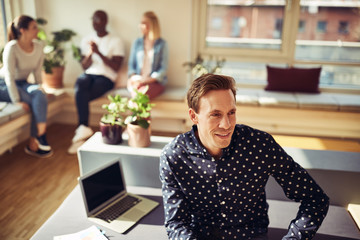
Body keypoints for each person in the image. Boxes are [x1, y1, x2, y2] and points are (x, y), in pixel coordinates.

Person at [160, 74, 329, 239]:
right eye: (216, 114)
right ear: (193, 116)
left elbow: (315, 199)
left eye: (231, 112)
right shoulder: (174, 156)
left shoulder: (260, 145)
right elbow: (177, 223)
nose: (226, 125)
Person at [68, 10, 125, 154]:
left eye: (98, 20)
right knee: (80, 83)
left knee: (82, 94)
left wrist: (99, 52)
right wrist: (90, 52)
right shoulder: (87, 39)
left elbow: (116, 67)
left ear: (105, 22)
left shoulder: (115, 40)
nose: (94, 23)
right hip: (89, 75)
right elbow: (84, 66)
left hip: (106, 78)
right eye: (93, 20)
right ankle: (83, 128)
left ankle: (82, 130)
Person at [0, 15, 53, 158]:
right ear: (23, 30)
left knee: (39, 95)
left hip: (23, 83)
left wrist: (41, 88)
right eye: (34, 27)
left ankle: (39, 137)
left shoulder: (38, 47)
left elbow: (37, 72)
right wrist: (17, 100)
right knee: (32, 100)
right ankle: (35, 142)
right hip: (4, 84)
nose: (37, 30)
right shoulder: (12, 48)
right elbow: (9, 77)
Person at [127, 11, 168, 99]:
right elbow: (131, 65)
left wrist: (148, 79)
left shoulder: (162, 44)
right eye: (140, 23)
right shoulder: (137, 43)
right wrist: (134, 77)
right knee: (137, 93)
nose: (140, 26)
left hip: (155, 82)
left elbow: (163, 68)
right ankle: (141, 113)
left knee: (140, 96)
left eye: (143, 23)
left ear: (152, 25)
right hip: (138, 80)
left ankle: (135, 112)